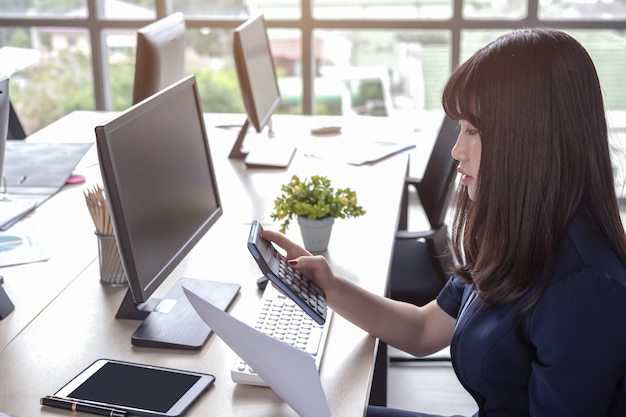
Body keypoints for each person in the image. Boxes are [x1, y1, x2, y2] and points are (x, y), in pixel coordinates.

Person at [262, 27, 626, 417]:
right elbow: (422, 330)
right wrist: (328, 287)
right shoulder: (519, 234)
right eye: (460, 129)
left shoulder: (585, 289)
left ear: (531, 141)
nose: (457, 150)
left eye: (473, 131)